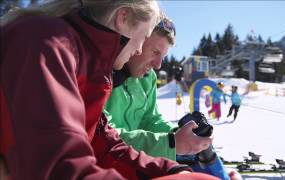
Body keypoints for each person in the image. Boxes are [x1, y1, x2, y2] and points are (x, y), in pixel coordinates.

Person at [0, 1, 206, 179]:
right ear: (123, 17)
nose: (138, 49)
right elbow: (57, 166)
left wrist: (172, 171)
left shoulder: (93, 70)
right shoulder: (45, 43)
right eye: (143, 39)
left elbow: (107, 147)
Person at [104, 17, 240, 180]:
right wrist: (170, 142)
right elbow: (105, 138)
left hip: (140, 161)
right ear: (136, 41)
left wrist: (179, 135)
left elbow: (150, 120)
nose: (159, 64)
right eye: (155, 52)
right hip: (112, 166)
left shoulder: (148, 77)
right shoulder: (103, 76)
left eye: (163, 56)